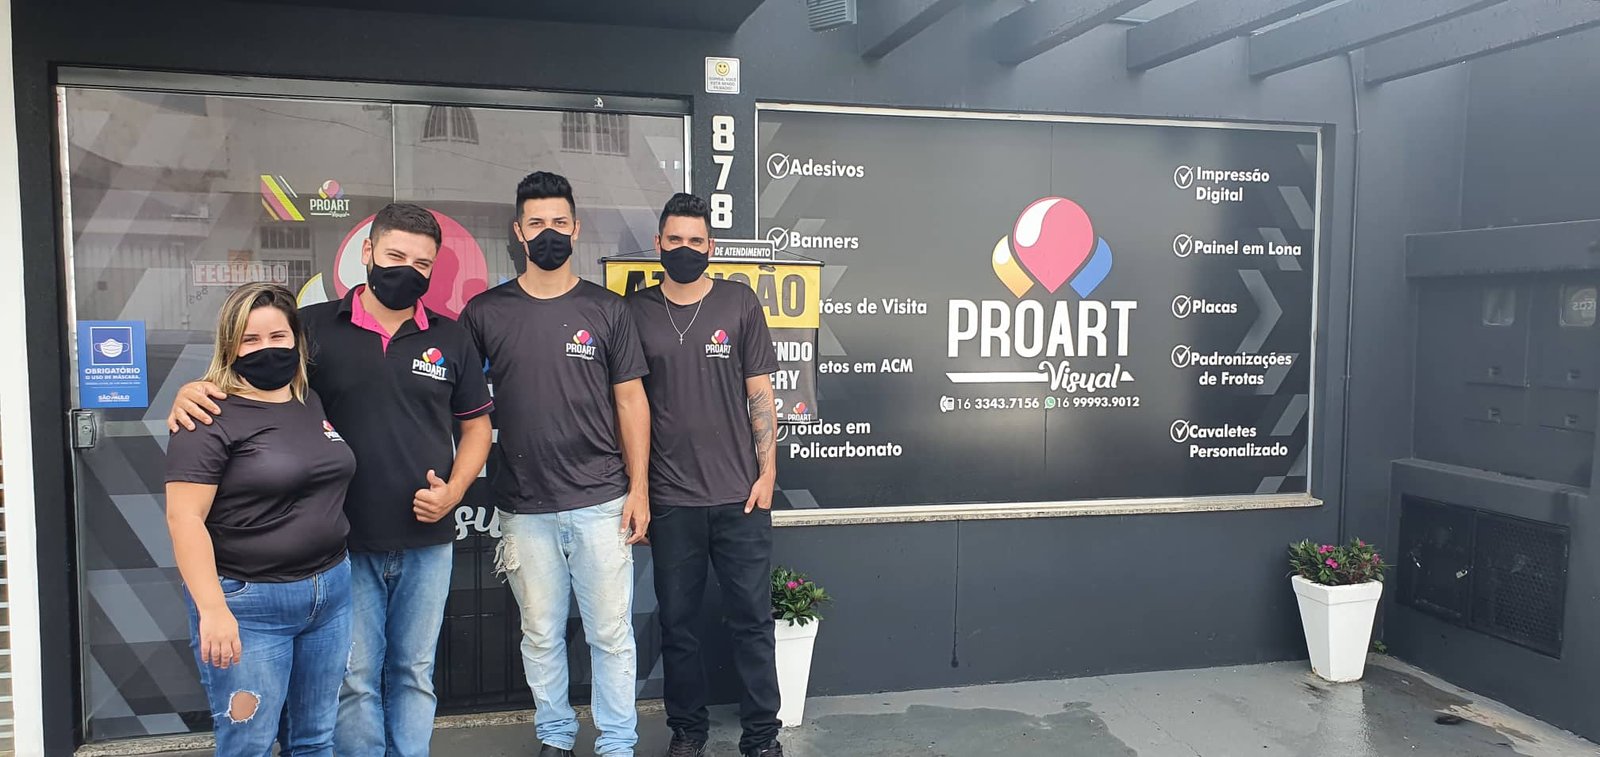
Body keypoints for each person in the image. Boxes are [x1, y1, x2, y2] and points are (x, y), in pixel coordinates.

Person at [167, 203, 495, 756]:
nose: (407, 270)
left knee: (414, 672)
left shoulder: (452, 337)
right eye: (395, 255)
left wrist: (456, 491)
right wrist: (192, 391)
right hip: (344, 548)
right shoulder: (312, 330)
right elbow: (253, 380)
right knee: (354, 680)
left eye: (422, 263)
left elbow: (477, 427)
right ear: (367, 252)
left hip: (428, 540)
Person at [460, 171, 651, 757]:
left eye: (559, 223)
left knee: (611, 635)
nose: (549, 233)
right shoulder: (485, 312)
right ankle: (556, 736)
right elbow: (457, 400)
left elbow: (631, 401)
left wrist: (639, 488)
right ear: (518, 232)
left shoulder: (607, 308)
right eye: (536, 223)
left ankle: (617, 743)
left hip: (602, 501)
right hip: (524, 507)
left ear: (576, 228)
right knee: (540, 634)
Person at [164, 283, 356, 756]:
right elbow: (185, 518)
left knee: (315, 739)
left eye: (277, 336)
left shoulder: (308, 401)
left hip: (330, 594)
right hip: (250, 606)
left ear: (296, 340)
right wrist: (212, 610)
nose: (266, 348)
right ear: (229, 346)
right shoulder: (205, 416)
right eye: (249, 339)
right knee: (248, 744)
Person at [625, 194, 784, 757]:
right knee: (678, 627)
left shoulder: (739, 302)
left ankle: (762, 737)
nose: (685, 249)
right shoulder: (635, 311)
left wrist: (767, 473)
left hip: (741, 498)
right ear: (658, 243)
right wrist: (639, 492)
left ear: (711, 246)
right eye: (675, 240)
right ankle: (687, 733)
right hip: (672, 500)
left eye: (696, 241)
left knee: (752, 622)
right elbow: (629, 404)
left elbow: (760, 393)